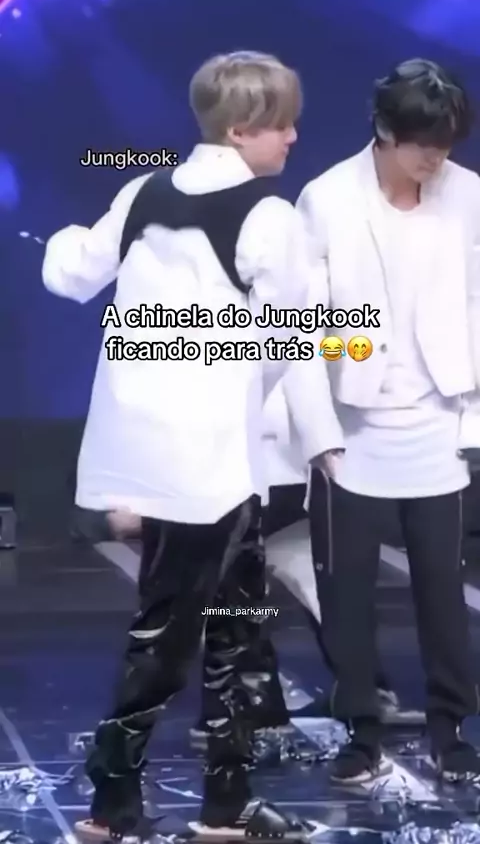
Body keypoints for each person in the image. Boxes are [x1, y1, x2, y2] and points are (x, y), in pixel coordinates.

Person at [42, 51, 320, 842]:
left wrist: (65, 236)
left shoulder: (141, 191)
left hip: (152, 451)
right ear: (241, 130)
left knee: (230, 624)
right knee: (176, 631)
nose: (293, 137)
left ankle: (224, 802)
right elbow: (285, 337)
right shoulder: (270, 216)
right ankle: (113, 799)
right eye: (282, 124)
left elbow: (70, 273)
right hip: (212, 458)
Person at [285, 58, 480, 784]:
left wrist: (471, 421)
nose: (435, 158)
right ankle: (361, 729)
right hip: (353, 429)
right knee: (347, 594)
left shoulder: (469, 196)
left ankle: (450, 726)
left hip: (441, 421)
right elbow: (299, 328)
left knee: (443, 591)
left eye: (446, 144)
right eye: (422, 144)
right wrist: (320, 433)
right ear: (383, 131)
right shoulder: (327, 198)